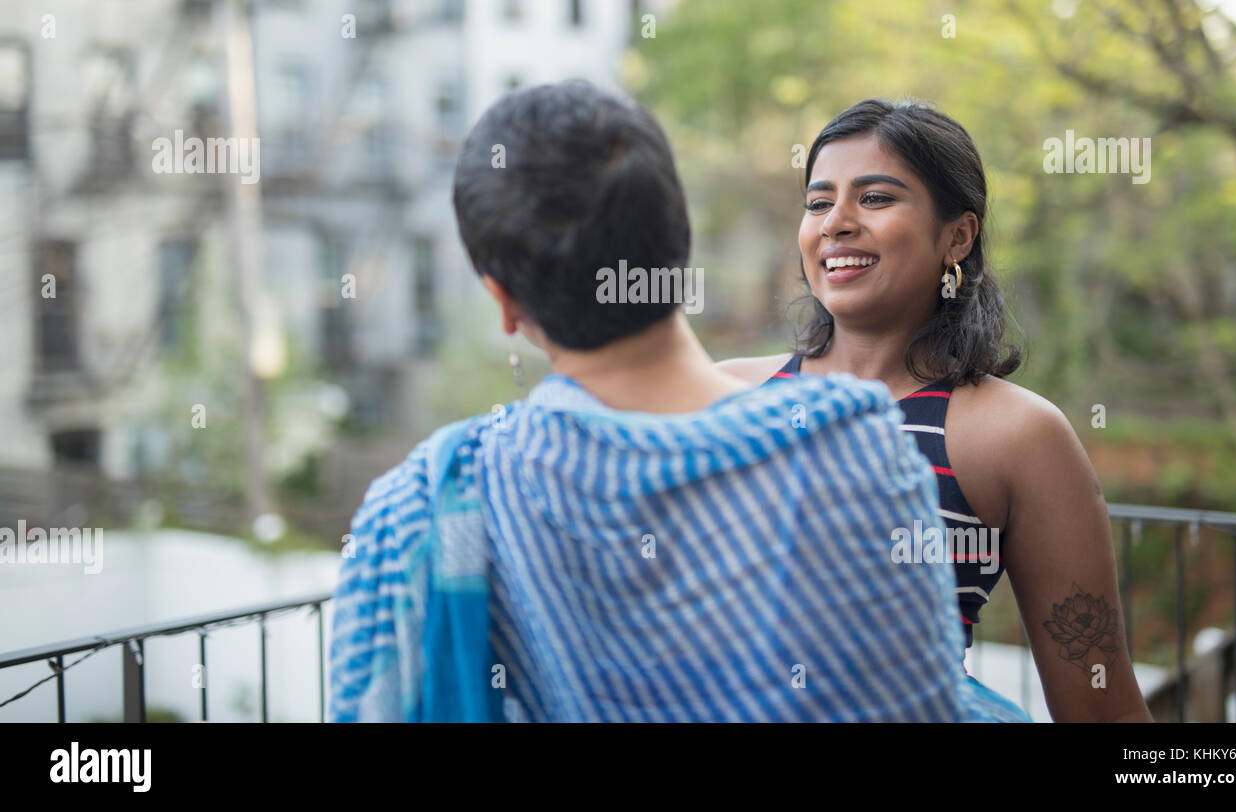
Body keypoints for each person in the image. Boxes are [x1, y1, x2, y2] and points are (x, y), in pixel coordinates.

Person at [328, 81, 1028, 722]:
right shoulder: (857, 455)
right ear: (678, 244)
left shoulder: (419, 509)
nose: (838, 221)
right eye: (820, 202)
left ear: (503, 303)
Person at [719, 98, 1152, 722]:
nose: (835, 222)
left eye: (875, 198)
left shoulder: (1015, 435)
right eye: (818, 202)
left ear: (958, 235)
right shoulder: (726, 398)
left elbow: (1102, 712)